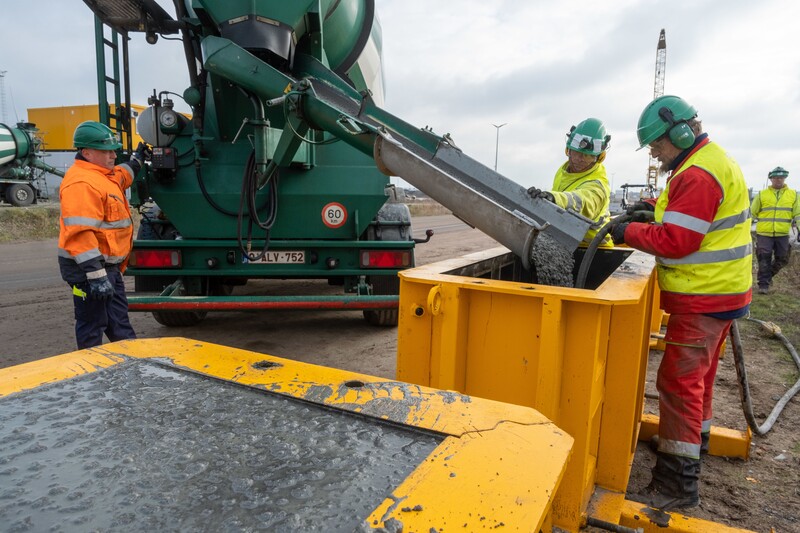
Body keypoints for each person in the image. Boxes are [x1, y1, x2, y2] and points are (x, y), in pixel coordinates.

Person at [611, 95, 752, 511]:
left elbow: (677, 241)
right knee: (700, 379)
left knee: (678, 384)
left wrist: (629, 232)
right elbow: (688, 216)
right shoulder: (705, 162)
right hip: (721, 293)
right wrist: (650, 208)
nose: (655, 155)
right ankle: (696, 441)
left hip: (702, 298)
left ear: (681, 132)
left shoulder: (697, 175)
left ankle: (676, 483)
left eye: (657, 146)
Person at [58, 121, 150, 349]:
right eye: (106, 151)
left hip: (107, 268)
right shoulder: (81, 183)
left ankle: (131, 368)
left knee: (119, 324)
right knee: (92, 326)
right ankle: (92, 375)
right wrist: (96, 276)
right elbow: (80, 235)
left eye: (113, 150)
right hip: (88, 270)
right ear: (86, 152)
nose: (112, 155)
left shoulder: (103, 175)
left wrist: (136, 161)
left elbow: (122, 176)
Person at [527, 118, 614, 247]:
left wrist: (554, 199)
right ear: (568, 150)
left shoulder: (598, 184)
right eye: (577, 153)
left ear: (599, 157)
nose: (581, 159)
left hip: (594, 251)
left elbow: (581, 201)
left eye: (588, 155)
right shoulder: (563, 172)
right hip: (568, 243)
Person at [750, 166, 800, 294]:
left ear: (785, 178)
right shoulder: (762, 194)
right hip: (764, 233)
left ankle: (767, 276)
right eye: (776, 177)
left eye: (781, 177)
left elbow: (798, 214)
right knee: (763, 257)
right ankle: (763, 285)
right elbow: (752, 213)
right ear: (771, 179)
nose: (779, 180)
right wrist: (744, 228)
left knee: (783, 259)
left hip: (782, 233)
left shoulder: (793, 195)